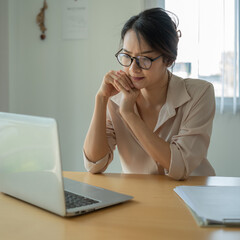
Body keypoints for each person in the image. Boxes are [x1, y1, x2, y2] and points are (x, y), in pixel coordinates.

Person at [83, 8, 215, 180]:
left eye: (144, 59)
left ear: (168, 59)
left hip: (193, 196)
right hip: (141, 198)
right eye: (127, 56)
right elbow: (95, 164)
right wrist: (101, 99)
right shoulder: (115, 97)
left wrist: (129, 115)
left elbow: (180, 166)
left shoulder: (199, 94)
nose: (132, 68)